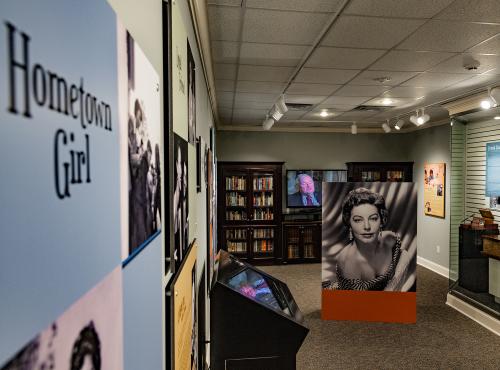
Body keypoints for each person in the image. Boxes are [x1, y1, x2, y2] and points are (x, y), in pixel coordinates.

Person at [323, 188, 415, 291]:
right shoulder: (347, 261)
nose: (367, 226)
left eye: (373, 218)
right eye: (358, 220)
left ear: (382, 220)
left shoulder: (390, 240)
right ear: (349, 223)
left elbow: (403, 257)